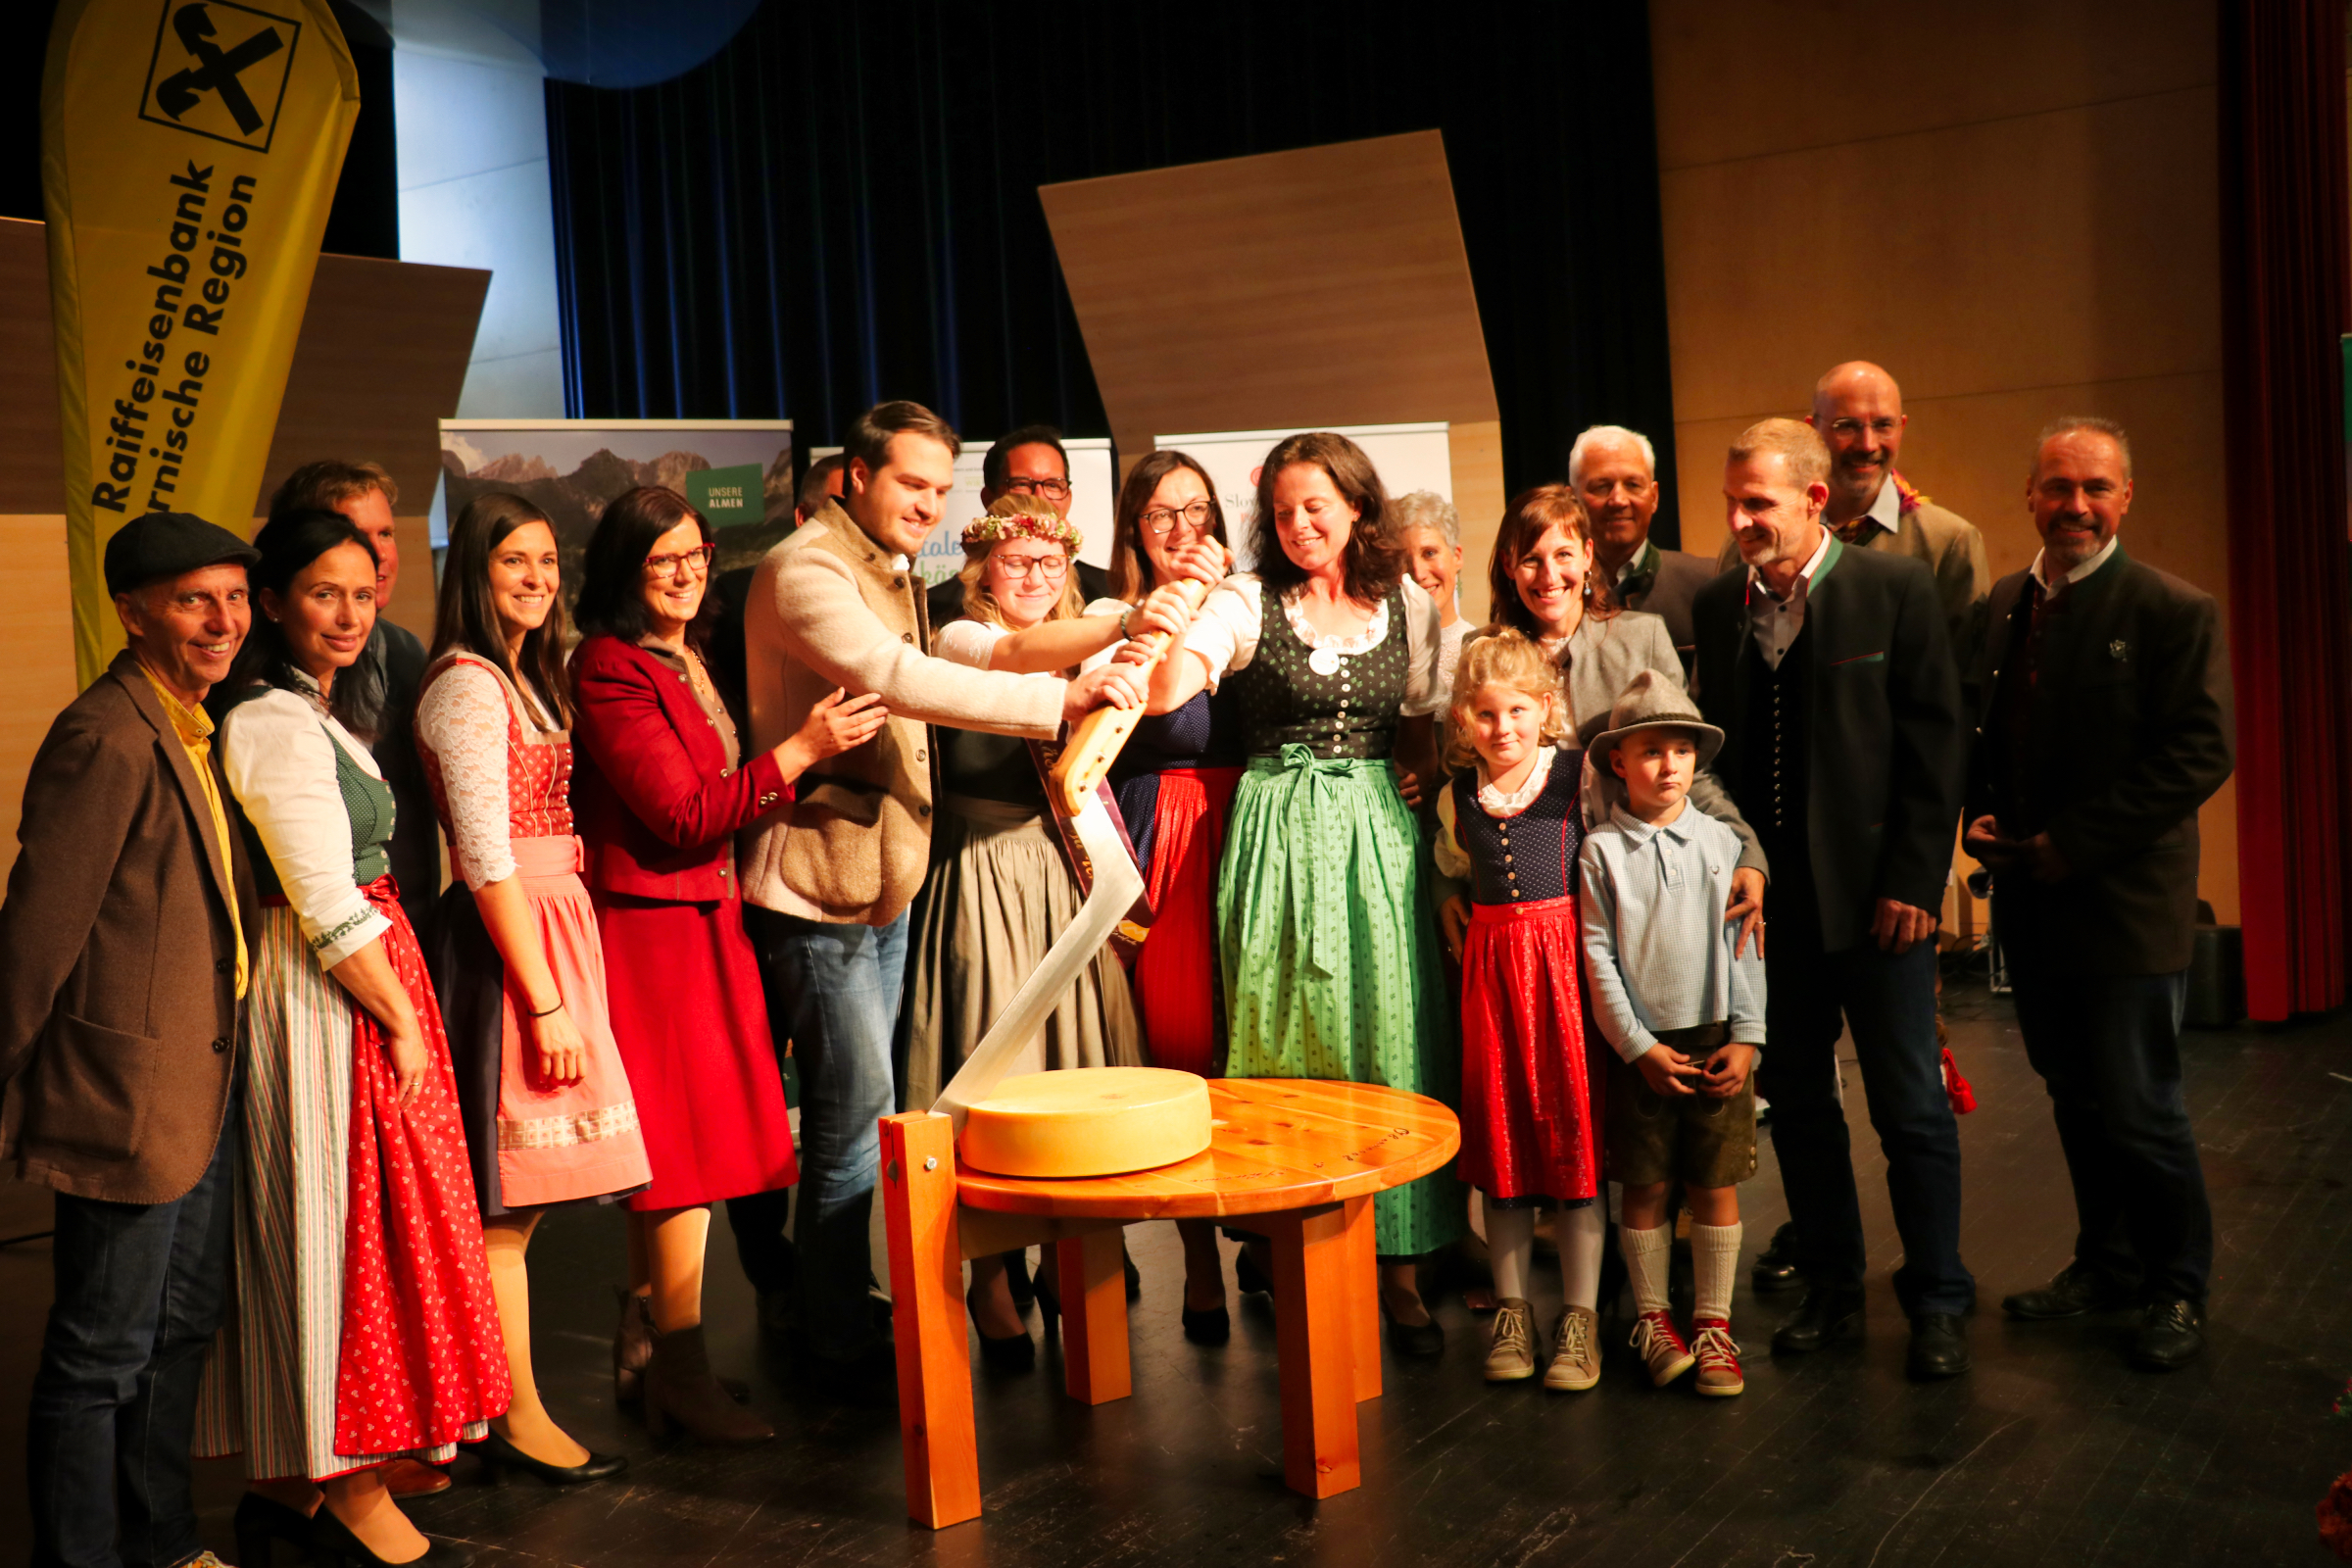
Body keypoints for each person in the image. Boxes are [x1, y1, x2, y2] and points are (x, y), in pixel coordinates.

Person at [738, 401, 1141, 1401]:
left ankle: (846, 1307)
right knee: (851, 1119)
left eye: (937, 488)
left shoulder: (889, 569)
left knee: (869, 1112)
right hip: (821, 879)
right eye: (909, 483)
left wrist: (1130, 625)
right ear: (855, 477)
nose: (926, 503)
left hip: (886, 877)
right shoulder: (808, 570)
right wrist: (1060, 700)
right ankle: (837, 1340)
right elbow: (897, 675)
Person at [204, 512, 507, 1568]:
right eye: (322, 593)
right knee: (335, 1232)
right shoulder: (270, 719)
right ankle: (341, 1477)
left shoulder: (307, 708)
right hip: (319, 993)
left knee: (367, 1225)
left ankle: (292, 1494)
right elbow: (324, 900)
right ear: (273, 601)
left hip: (354, 980)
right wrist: (400, 1017)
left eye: (364, 593)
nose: (348, 614)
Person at [571, 487, 885, 1443]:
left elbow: (717, 797)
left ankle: (648, 1345)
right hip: (657, 932)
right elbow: (683, 814)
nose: (684, 573)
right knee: (681, 1160)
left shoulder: (688, 652)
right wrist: (803, 749)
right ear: (624, 570)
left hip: (701, 917)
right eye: (661, 559)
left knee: (679, 1153)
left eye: (695, 554)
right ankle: (683, 1370)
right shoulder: (611, 666)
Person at [1143, 430, 1461, 1354]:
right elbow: (1169, 689)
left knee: (1393, 1036)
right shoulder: (1246, 600)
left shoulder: (1406, 602)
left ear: (1357, 505)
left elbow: (1418, 728)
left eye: (1316, 506)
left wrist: (1413, 783)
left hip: (1376, 833)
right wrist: (1177, 618)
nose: (1298, 524)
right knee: (1284, 1036)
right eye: (1282, 511)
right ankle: (1291, 1254)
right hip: (1276, 832)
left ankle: (1399, 1272)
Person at [1690, 417, 1972, 1380]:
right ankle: (1832, 1287)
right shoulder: (1721, 603)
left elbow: (1936, 746)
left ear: (1814, 499)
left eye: (1757, 503)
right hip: (1772, 914)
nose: (1740, 520)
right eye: (1732, 502)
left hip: (1880, 905)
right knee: (1803, 1106)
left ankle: (1938, 1298)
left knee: (1910, 1110)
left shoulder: (1895, 589)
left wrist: (1915, 881)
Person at [5, 514, 259, 1568]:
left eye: (235, 597)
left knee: (180, 1329)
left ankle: (162, 1542)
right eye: (195, 600)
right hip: (126, 1094)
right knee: (100, 1353)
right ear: (133, 612)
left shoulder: (199, 722)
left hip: (203, 1082)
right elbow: (39, 930)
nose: (224, 620)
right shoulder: (106, 735)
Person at [906, 494, 1203, 1366]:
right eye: (1016, 562)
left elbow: (1154, 671)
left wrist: (1176, 603)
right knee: (995, 1062)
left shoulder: (1091, 630)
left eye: (1050, 563)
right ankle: (990, 1276)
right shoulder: (959, 639)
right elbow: (1013, 657)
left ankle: (1068, 1250)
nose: (1034, 578)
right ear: (982, 569)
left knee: (1076, 1060)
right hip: (986, 869)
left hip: (1064, 867)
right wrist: (1121, 629)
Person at [1965, 418, 2233, 1371]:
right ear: (2030, 495)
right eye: (2058, 486)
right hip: (2032, 904)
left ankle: (2177, 1285)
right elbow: (1989, 734)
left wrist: (2071, 844)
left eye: (2095, 488)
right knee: (2075, 1096)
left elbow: (2199, 754)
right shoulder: (2005, 603)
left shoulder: (2173, 609)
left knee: (2141, 1107)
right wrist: (1977, 814)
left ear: (2126, 498)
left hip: (2126, 908)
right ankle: (2108, 1264)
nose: (2075, 505)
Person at [416, 493, 650, 1481]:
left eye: (548, 560)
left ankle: (499, 1402)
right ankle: (510, 1411)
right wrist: (544, 998)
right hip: (512, 939)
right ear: (475, 570)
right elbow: (483, 855)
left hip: (555, 922)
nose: (538, 579)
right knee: (503, 1198)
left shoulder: (525, 673)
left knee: (528, 1199)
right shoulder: (468, 686)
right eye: (515, 560)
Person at [1081, 451, 1251, 1341]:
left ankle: (1263, 1231)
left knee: (1255, 1042)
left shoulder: (1250, 602)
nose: (1184, 530)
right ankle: (1198, 1262)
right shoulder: (1111, 618)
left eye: (1197, 511)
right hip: (1166, 834)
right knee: (1181, 1049)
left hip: (1250, 829)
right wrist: (1180, 599)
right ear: (1134, 532)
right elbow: (1148, 699)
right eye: (1161, 515)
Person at [1456, 485, 1764, 947]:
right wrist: (1445, 885)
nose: (1549, 575)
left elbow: (1687, 765)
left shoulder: (1643, 638)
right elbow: (1462, 774)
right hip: (1527, 907)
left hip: (1634, 887)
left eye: (1563, 554)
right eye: (1531, 560)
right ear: (1507, 565)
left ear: (1587, 555)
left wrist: (1747, 850)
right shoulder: (1481, 651)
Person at [1580, 670, 1769, 1398]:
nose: (1668, 766)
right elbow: (1597, 955)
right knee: (1647, 1184)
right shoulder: (1600, 851)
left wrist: (1747, 1036)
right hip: (1643, 1049)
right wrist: (1636, 1046)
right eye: (1651, 751)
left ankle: (1714, 1324)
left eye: (1682, 751)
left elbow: (1746, 943)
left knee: (1713, 1183)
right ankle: (1653, 1320)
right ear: (1619, 761)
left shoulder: (1723, 843)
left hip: (1718, 1036)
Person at [1431, 631, 1605, 1391]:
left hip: (1564, 969)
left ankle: (1580, 1317)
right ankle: (1512, 1309)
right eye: (1485, 713)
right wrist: (1448, 896)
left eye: (1517, 711)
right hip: (1494, 975)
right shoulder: (1458, 796)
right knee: (1499, 1140)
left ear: (1545, 708)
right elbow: (1449, 867)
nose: (1502, 728)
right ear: (1463, 720)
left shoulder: (1575, 776)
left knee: (1574, 1139)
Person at [268, 464, 440, 938]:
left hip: (413, 921)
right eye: (356, 533)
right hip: (321, 933)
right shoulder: (264, 690)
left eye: (386, 533)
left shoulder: (405, 650)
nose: (378, 553)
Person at [1713, 363, 1989, 659]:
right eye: (1847, 426)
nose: (1867, 445)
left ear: (1902, 427)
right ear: (1812, 430)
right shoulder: (1754, 537)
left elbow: (1963, 674)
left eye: (1883, 425)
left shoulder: (1949, 542)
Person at [926, 423, 1109, 625]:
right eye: (1021, 484)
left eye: (1053, 485)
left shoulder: (1108, 591)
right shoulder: (937, 608)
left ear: (1069, 498)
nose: (1039, 497)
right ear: (988, 498)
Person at [1570, 424, 1715, 671]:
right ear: (1572, 500)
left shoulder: (1708, 586)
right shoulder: (1551, 595)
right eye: (1601, 486)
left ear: (1654, 497)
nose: (1618, 500)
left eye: (1633, 485)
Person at [1392, 490, 1470, 699]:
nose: (1418, 573)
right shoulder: (1380, 655)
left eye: (1429, 553)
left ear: (1456, 557)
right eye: (1403, 559)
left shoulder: (1482, 649)